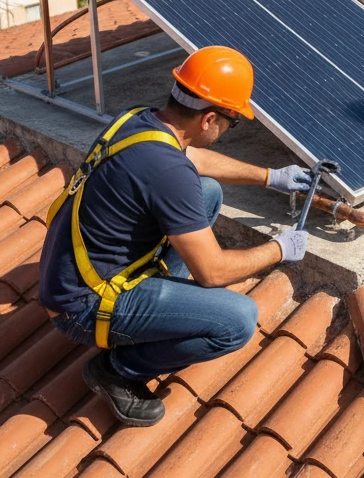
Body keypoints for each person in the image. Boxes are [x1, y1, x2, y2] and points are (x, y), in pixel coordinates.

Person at [39, 46, 313, 427]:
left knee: (207, 192)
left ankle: (162, 306)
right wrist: (278, 249)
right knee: (237, 320)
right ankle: (118, 369)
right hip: (83, 306)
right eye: (231, 122)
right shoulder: (166, 170)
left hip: (77, 273)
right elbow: (213, 273)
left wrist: (271, 177)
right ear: (209, 119)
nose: (228, 130)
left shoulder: (139, 121)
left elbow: (191, 160)